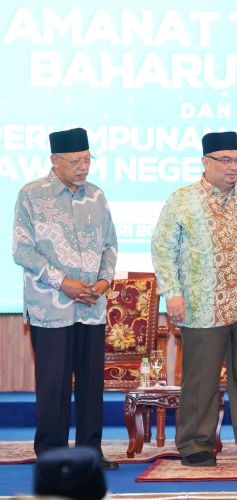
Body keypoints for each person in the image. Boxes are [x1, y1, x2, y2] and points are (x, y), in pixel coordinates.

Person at [151, 131, 237, 467]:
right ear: (205, 162)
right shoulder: (182, 200)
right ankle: (196, 444)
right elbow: (163, 248)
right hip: (204, 304)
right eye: (225, 160)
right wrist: (172, 292)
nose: (233, 167)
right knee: (201, 378)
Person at [12, 127, 119, 470]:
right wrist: (62, 282)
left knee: (91, 384)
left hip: (91, 306)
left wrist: (104, 280)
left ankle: (90, 451)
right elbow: (22, 250)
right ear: (54, 160)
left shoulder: (97, 196)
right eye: (75, 161)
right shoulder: (32, 195)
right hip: (50, 307)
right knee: (54, 385)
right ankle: (52, 454)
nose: (83, 167)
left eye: (87, 159)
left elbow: (110, 245)